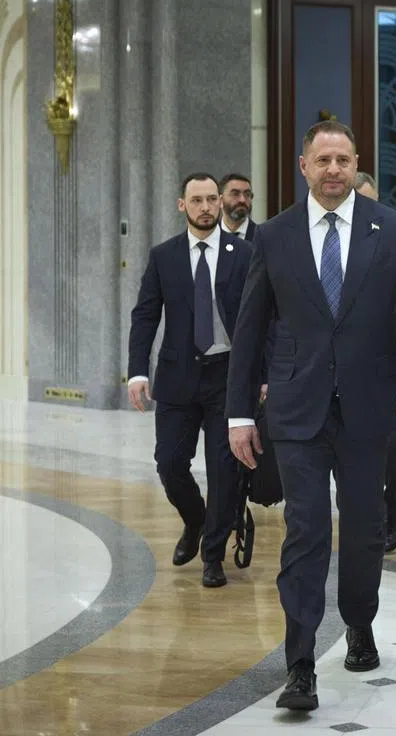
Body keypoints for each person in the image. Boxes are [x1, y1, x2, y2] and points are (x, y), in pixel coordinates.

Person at [225, 120, 396, 711]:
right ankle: (300, 663)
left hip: (371, 407)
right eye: (322, 160)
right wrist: (238, 415)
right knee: (306, 531)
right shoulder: (273, 236)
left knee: (366, 526)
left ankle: (360, 619)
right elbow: (248, 333)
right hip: (296, 410)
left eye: (343, 160)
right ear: (303, 166)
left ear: (355, 165)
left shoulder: (394, 230)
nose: (333, 170)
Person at [127, 172, 251, 589]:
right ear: (182, 205)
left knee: (224, 470)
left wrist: (263, 376)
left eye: (211, 199)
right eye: (196, 200)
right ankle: (195, 520)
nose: (205, 207)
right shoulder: (164, 255)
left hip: (227, 378)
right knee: (169, 464)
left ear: (219, 203)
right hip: (178, 377)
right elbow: (145, 315)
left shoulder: (244, 253)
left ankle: (213, 556)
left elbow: (263, 319)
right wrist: (138, 371)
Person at [354, 171, 396, 553]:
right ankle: (367, 515)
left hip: (391, 362)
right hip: (343, 367)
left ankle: (395, 503)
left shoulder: (395, 236)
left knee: (395, 444)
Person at [218, 173, 258, 242]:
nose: (242, 200)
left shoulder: (263, 236)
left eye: (247, 194)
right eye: (235, 194)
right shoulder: (208, 235)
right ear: (220, 200)